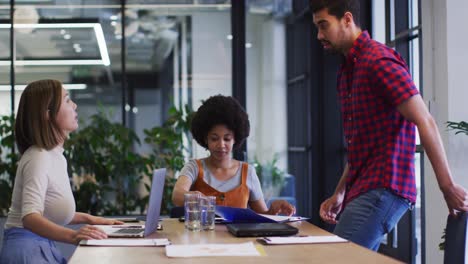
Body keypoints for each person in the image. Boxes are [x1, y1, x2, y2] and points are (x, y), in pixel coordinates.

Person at [310, 0, 468, 251]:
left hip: (385, 186)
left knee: (336, 257)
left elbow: (424, 119)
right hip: (365, 186)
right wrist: (340, 192)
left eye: (323, 25)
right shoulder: (347, 72)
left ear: (347, 20)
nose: (319, 35)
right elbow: (361, 144)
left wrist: (447, 186)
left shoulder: (378, 61)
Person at [0, 79, 123, 264]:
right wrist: (73, 236)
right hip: (26, 252)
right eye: (67, 100)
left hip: (40, 246)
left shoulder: (55, 155)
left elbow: (52, 210)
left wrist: (92, 219)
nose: (74, 105)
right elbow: (30, 218)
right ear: (47, 114)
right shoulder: (38, 157)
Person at [172, 95, 295, 216]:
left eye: (227, 138)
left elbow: (262, 216)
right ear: (205, 139)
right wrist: (195, 198)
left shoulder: (248, 172)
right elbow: (177, 195)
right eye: (214, 139)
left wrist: (273, 211)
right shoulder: (194, 167)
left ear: (235, 139)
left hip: (238, 236)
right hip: (202, 235)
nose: (221, 145)